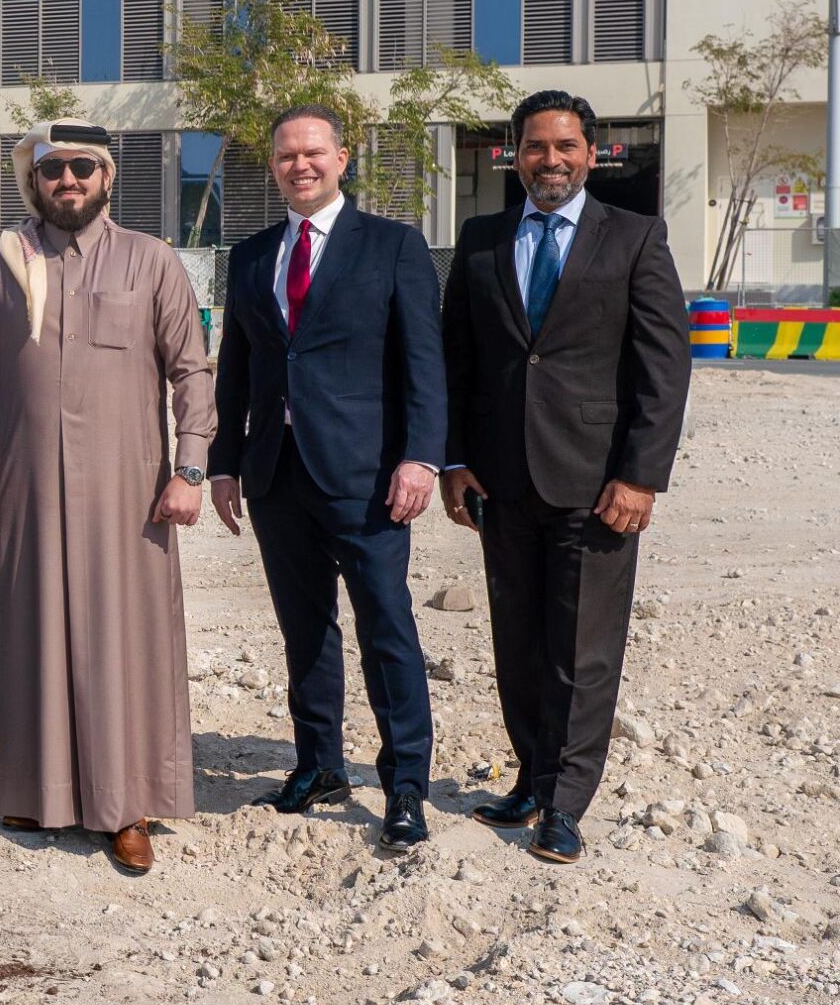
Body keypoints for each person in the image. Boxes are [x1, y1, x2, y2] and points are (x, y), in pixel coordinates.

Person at [0, 121, 214, 876]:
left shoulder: (151, 260)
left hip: (129, 490)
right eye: (53, 169)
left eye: (82, 168)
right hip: (26, 484)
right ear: (34, 180)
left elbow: (191, 370)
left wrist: (190, 469)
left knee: (126, 638)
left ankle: (127, 806)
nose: (67, 181)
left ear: (106, 176)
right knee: (29, 629)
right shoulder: (0, 264)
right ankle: (39, 792)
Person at [442, 90, 690, 864]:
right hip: (501, 482)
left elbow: (664, 369)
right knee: (518, 643)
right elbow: (458, 359)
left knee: (583, 650)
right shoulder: (480, 239)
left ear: (592, 153)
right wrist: (454, 460)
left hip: (598, 483)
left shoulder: (636, 237)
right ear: (513, 154)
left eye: (566, 146)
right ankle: (530, 777)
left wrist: (641, 477)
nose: (551, 160)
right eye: (536, 146)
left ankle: (565, 803)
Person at [208, 105, 445, 853]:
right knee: (304, 629)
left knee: (386, 628)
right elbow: (237, 368)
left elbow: (424, 362)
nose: (300, 164)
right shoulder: (251, 256)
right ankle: (319, 765)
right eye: (286, 155)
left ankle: (405, 784)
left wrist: (422, 457)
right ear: (273, 166)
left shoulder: (394, 246)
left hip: (367, 476)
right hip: (276, 474)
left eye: (313, 152)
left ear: (343, 159)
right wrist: (223, 461)